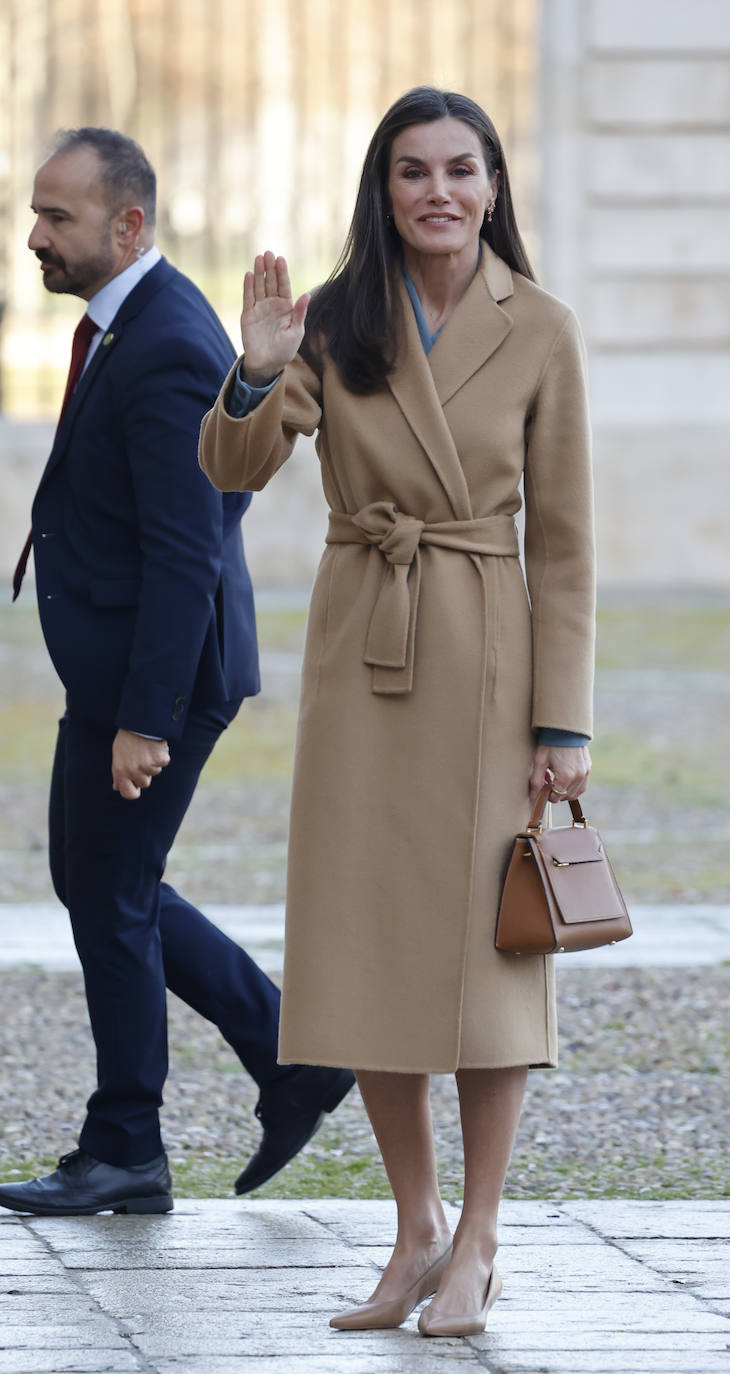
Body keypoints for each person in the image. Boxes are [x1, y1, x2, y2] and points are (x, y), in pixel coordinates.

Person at [199, 86, 594, 1336]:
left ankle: (478, 1236)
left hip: (485, 649)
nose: (438, 192)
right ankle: (414, 1224)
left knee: (485, 958)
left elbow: (569, 546)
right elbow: (235, 470)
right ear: (384, 190)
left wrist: (562, 724)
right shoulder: (339, 319)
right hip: (365, 647)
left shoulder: (539, 327)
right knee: (364, 941)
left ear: (493, 187)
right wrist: (257, 372)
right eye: (413, 172)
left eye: (461, 170)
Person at [0, 128, 353, 1219]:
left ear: (128, 224)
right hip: (122, 671)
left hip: (161, 678)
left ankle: (127, 1147)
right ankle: (288, 1058)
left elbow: (192, 541)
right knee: (104, 885)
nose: (34, 237)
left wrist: (144, 718)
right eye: (36, 213)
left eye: (57, 217)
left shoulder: (163, 340)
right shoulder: (130, 324)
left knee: (108, 895)